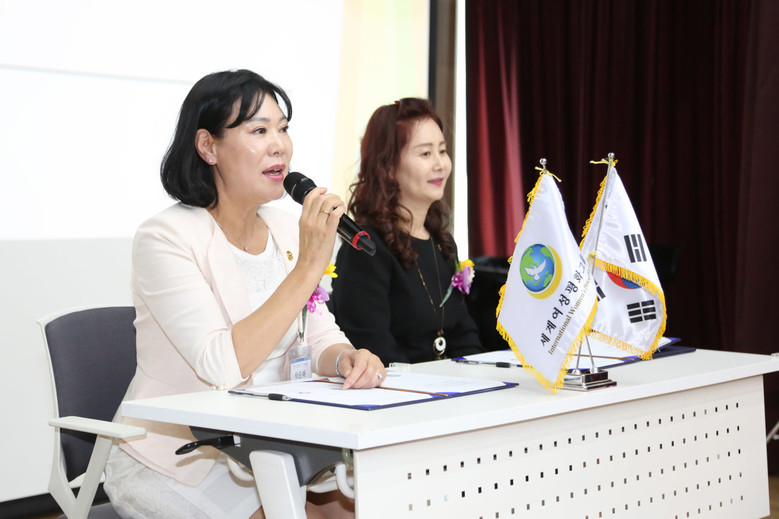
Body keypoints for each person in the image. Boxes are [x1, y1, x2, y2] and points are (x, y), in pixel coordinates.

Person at [104, 69, 385, 519]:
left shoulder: (285, 229)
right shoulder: (166, 237)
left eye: (283, 129)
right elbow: (221, 366)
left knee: (369, 508)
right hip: (186, 455)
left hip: (275, 443)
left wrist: (346, 359)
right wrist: (308, 267)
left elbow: (317, 335)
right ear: (208, 147)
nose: (280, 146)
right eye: (259, 131)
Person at [331, 98, 484, 365]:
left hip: (448, 385)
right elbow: (373, 347)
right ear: (389, 167)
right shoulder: (366, 247)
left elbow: (464, 334)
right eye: (425, 154)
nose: (440, 164)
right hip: (397, 386)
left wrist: (481, 374)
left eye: (442, 151)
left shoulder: (442, 242)